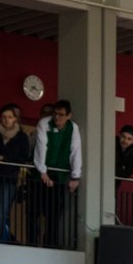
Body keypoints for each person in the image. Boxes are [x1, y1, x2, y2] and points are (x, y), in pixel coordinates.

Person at [32, 99, 82, 249]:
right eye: (55, 114)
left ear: (69, 116)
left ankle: (50, 242)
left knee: (55, 211)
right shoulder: (44, 123)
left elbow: (75, 151)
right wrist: (42, 171)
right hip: (41, 173)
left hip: (59, 175)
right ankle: (33, 242)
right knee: (35, 210)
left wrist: (76, 176)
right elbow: (41, 147)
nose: (57, 118)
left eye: (61, 115)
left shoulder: (73, 128)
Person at [0, 103, 30, 243]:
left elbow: (23, 157)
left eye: (9, 117)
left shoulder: (22, 137)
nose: (6, 120)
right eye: (4, 117)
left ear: (15, 119)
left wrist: (3, 158)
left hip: (9, 179)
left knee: (1, 212)